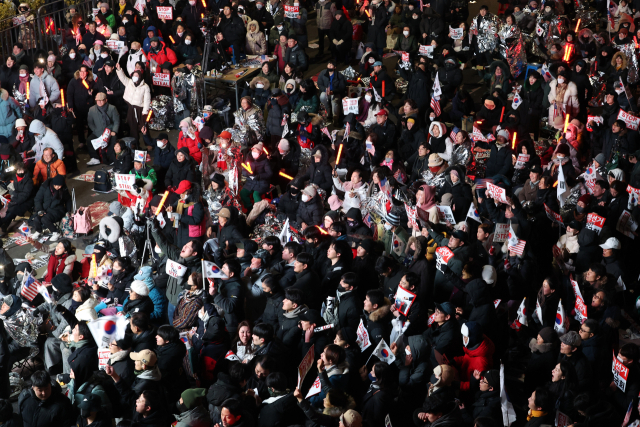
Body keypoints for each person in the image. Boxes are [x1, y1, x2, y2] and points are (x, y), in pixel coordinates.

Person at [115, 63, 151, 142]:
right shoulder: (129, 82)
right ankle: (134, 143)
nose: (134, 77)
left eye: (136, 76)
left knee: (144, 127)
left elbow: (147, 100)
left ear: (140, 77)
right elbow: (122, 77)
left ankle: (148, 143)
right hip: (131, 108)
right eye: (133, 75)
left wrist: (145, 111)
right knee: (132, 126)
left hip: (140, 109)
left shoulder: (145, 87)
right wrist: (119, 69)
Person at [86, 92, 120, 166]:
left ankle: (111, 159)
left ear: (106, 100)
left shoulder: (112, 108)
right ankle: (95, 158)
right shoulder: (92, 110)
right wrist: (96, 131)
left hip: (110, 131)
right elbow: (90, 123)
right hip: (98, 131)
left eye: (101, 100)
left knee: (113, 141)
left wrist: (114, 131)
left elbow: (116, 121)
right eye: (98, 100)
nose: (99, 102)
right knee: (89, 140)